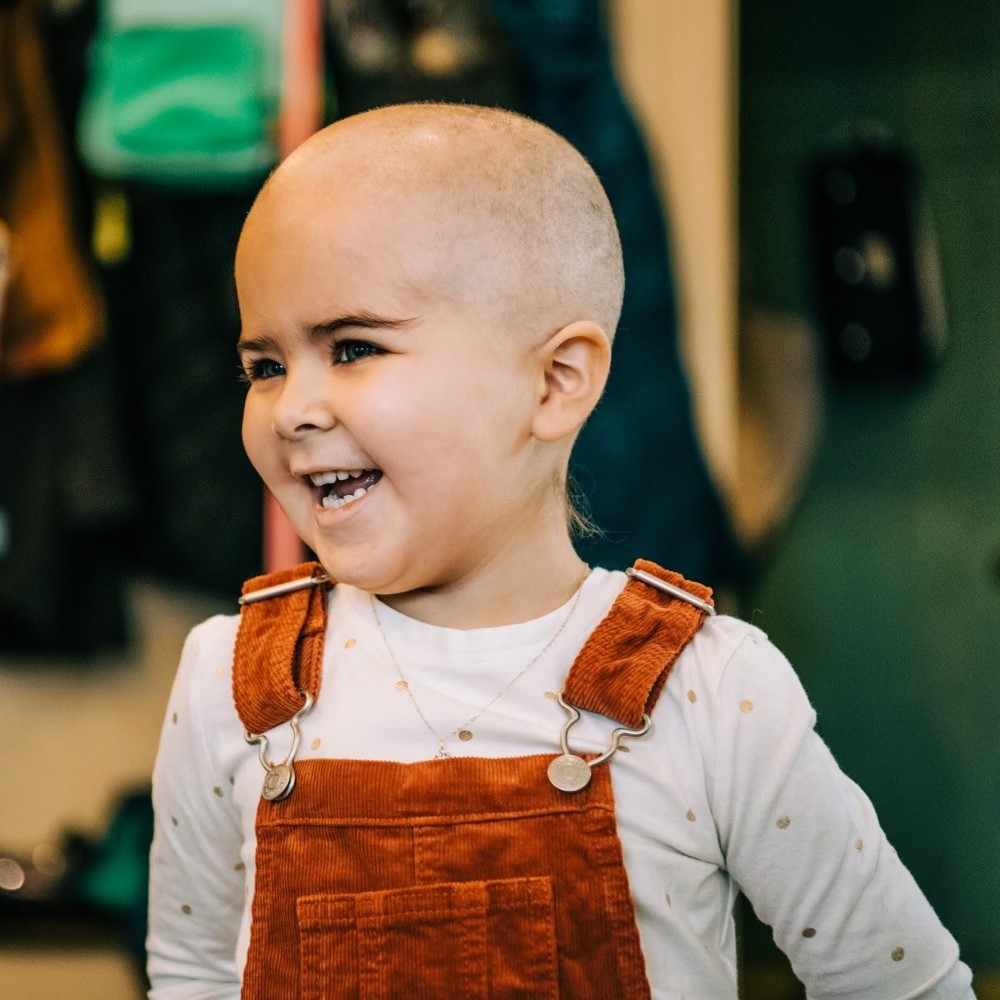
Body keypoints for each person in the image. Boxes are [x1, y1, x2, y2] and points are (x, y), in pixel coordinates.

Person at [146, 103, 974, 999]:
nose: (293, 408)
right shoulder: (230, 681)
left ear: (556, 380)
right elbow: (193, 973)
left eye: (353, 347)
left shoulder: (707, 690)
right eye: (264, 366)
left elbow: (905, 985)